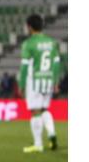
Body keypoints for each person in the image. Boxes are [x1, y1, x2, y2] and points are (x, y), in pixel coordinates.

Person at [16, 14, 62, 152]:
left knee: (35, 111)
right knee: (44, 109)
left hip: (34, 81)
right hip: (48, 80)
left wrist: (21, 85)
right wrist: (55, 82)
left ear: (29, 27)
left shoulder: (28, 44)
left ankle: (38, 144)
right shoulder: (52, 43)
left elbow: (24, 67)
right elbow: (56, 64)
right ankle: (52, 134)